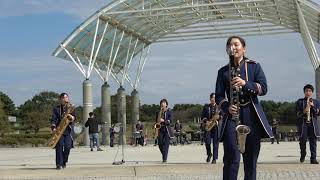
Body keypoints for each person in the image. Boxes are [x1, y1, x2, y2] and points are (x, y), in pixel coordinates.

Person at [215, 36, 273, 180]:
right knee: (231, 157)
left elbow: (263, 89)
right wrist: (227, 106)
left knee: (250, 160)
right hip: (232, 116)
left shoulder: (254, 66)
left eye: (236, 44)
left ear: (244, 48)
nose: (233, 47)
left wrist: (245, 83)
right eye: (230, 45)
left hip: (251, 115)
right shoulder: (223, 71)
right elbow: (218, 96)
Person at [296, 84, 320, 164]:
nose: (308, 92)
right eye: (306, 91)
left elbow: (318, 113)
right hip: (304, 124)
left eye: (309, 91)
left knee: (313, 141)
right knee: (302, 140)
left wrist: (312, 107)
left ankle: (313, 159)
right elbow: (297, 114)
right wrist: (304, 111)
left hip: (313, 124)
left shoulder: (316, 102)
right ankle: (303, 153)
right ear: (304, 92)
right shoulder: (300, 101)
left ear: (312, 92)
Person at [51, 93, 76, 170]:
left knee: (68, 147)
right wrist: (53, 127)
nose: (65, 99)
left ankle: (64, 162)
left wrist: (72, 117)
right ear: (60, 99)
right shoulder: (56, 109)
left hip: (68, 131)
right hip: (59, 131)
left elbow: (75, 117)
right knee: (59, 147)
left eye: (66, 97)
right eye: (64, 97)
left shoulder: (71, 108)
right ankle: (58, 164)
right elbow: (53, 119)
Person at [201, 93, 220, 164]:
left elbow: (222, 115)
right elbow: (203, 116)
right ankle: (209, 154)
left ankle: (214, 158)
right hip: (208, 126)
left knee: (215, 143)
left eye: (215, 98)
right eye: (212, 98)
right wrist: (206, 121)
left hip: (216, 126)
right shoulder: (206, 107)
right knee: (207, 142)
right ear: (210, 99)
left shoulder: (219, 107)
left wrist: (219, 118)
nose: (214, 99)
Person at [156, 98, 173, 163]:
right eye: (161, 104)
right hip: (160, 129)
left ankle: (164, 158)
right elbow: (156, 121)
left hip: (166, 129)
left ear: (166, 105)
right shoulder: (158, 112)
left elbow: (170, 121)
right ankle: (164, 154)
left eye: (164, 104)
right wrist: (155, 128)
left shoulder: (169, 111)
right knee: (160, 143)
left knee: (166, 144)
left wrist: (164, 121)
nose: (162, 105)